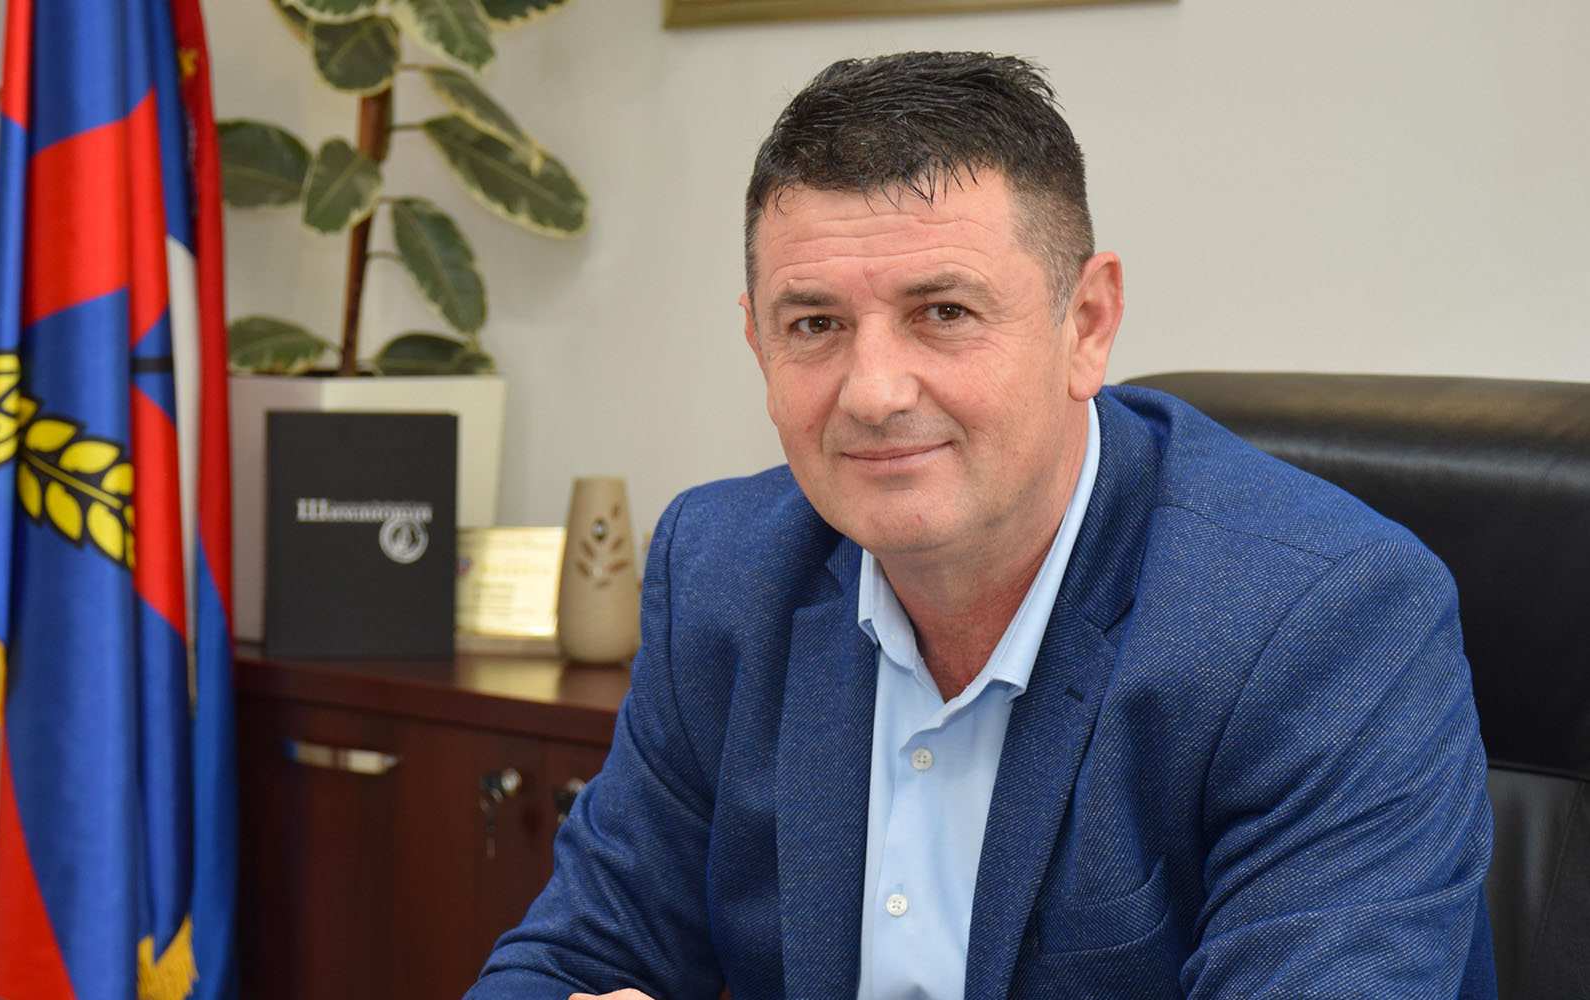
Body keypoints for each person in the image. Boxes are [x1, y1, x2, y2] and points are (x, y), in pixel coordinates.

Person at [467, 52, 1495, 999]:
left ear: (1086, 324)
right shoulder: (724, 569)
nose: (872, 392)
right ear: (757, 341)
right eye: (815, 324)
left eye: (943, 313)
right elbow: (570, 960)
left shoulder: (1326, 622)